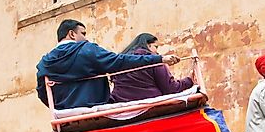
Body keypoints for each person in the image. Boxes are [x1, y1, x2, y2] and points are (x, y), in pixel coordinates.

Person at [36, 20, 182, 110]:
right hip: (94, 107)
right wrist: (158, 59)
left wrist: (60, 109)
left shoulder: (44, 63)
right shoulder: (86, 49)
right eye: (83, 33)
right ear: (72, 34)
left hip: (64, 113)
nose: (85, 38)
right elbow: (120, 62)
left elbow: (42, 93)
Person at [109, 33, 196, 103]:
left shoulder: (120, 61)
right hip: (148, 104)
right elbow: (171, 88)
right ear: (148, 45)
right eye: (156, 47)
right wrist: (189, 80)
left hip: (121, 103)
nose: (157, 51)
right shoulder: (154, 60)